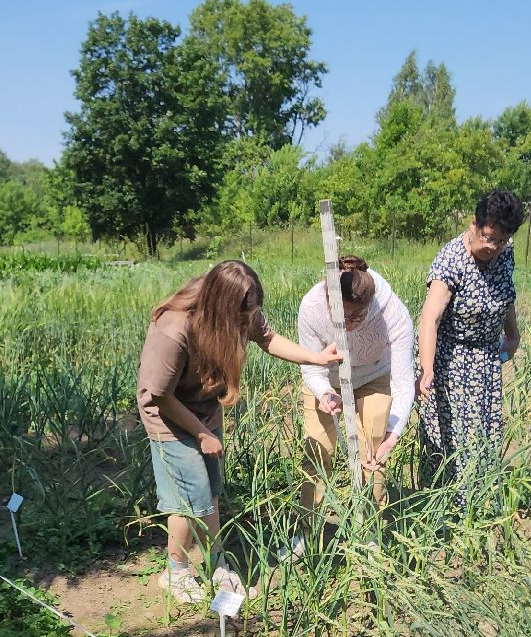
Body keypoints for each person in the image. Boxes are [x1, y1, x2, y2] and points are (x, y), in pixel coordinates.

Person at [137, 260, 340, 603]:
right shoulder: (174, 329)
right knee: (190, 497)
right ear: (220, 308)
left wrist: (315, 358)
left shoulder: (239, 312)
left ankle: (217, 562)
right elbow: (159, 395)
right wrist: (201, 434)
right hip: (168, 415)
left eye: (252, 315)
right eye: (244, 318)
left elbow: (268, 338)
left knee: (210, 489)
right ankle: (175, 572)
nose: (249, 324)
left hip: (204, 407)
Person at [416, 189, 523, 502]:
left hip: (486, 357)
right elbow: (430, 318)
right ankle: (444, 505)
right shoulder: (452, 260)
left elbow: (505, 292)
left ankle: (479, 501)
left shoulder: (505, 252)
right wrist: (427, 368)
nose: (493, 247)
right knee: (451, 436)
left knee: (485, 432)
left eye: (501, 240)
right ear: (473, 224)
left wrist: (513, 333)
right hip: (451, 359)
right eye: (488, 237)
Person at [296, 255, 415, 513]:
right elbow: (311, 368)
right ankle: (308, 527)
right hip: (327, 379)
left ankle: (370, 524)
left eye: (356, 316)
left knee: (374, 450)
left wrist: (392, 434)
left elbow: (404, 382)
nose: (347, 324)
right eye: (340, 316)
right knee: (318, 452)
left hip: (374, 376)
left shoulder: (392, 314)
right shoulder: (312, 307)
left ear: (369, 304)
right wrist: (324, 392)